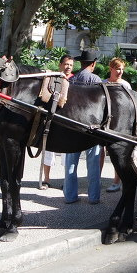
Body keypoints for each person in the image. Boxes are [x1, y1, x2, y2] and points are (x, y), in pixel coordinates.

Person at [64, 49, 104, 205]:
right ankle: (93, 197)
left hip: (72, 125)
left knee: (71, 163)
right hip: (91, 126)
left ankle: (70, 196)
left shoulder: (72, 80)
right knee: (93, 164)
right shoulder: (96, 79)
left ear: (81, 63)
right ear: (93, 64)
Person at [40, 54, 75, 189]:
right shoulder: (54, 78)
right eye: (66, 64)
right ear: (60, 65)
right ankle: (46, 179)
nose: (68, 67)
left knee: (68, 154)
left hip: (68, 120)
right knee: (48, 150)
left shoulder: (74, 80)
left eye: (70, 65)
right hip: (52, 118)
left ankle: (66, 181)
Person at [101, 57, 132, 193]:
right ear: (111, 69)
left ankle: (116, 181)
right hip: (104, 122)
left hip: (120, 122)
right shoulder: (103, 83)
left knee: (117, 152)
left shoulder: (125, 85)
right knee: (100, 151)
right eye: (118, 69)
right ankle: (97, 179)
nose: (120, 72)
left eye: (122, 69)